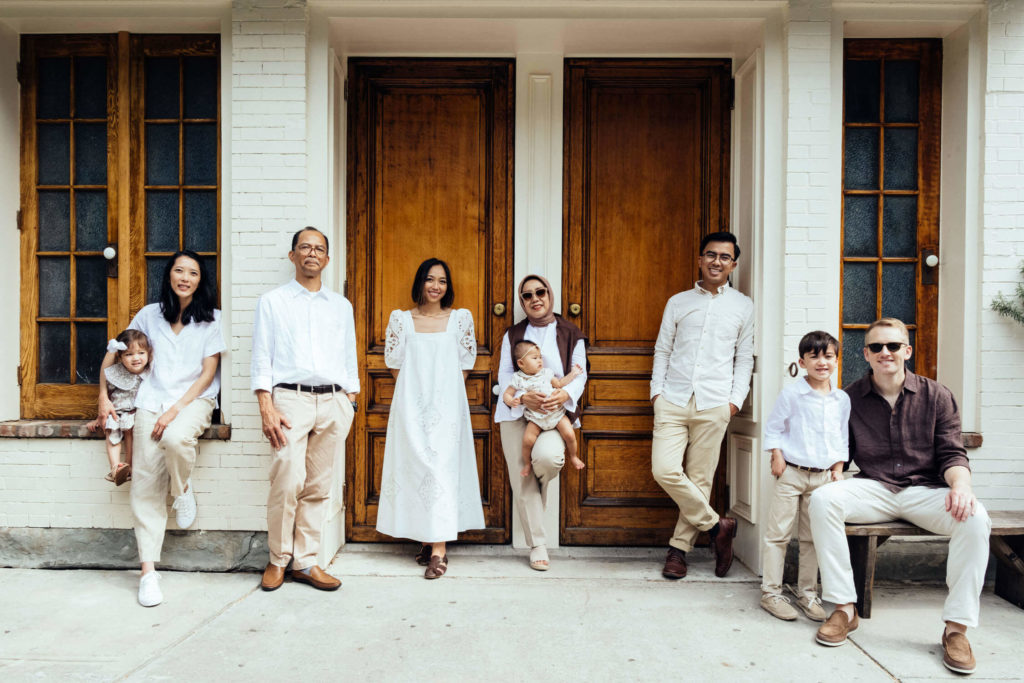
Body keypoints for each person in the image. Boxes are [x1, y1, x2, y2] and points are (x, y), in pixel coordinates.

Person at [808, 318, 991, 675]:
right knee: (823, 500)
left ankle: (957, 628)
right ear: (866, 354)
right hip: (875, 487)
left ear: (907, 350)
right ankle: (845, 608)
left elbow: (953, 453)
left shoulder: (936, 395)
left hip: (926, 491)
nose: (885, 353)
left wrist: (961, 487)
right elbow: (838, 450)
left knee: (975, 517)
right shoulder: (849, 398)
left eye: (893, 346)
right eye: (876, 347)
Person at [97, 250, 224, 607]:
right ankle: (148, 573)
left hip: (194, 401)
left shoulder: (212, 319)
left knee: (176, 437)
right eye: (179, 271)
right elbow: (115, 355)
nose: (185, 277)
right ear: (169, 276)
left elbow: (208, 373)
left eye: (193, 273)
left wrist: (175, 410)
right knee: (145, 483)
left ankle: (183, 489)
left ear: (201, 280)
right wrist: (102, 398)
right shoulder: (149, 315)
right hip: (149, 400)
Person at [252, 227, 358, 593]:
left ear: (327, 259)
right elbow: (261, 356)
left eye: (319, 249)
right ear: (292, 255)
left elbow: (349, 356)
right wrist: (265, 404)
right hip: (290, 400)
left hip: (333, 401)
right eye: (305, 247)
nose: (312, 253)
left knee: (317, 485)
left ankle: (306, 561)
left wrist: (351, 401)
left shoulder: (340, 306)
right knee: (287, 478)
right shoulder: (273, 301)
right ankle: (278, 559)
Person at [650, 231, 754, 579]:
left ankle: (679, 550)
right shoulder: (678, 302)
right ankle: (717, 527)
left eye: (724, 257)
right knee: (664, 470)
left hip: (714, 404)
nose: (716, 262)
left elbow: (744, 359)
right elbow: (663, 349)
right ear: (700, 259)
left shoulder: (742, 305)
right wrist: (657, 395)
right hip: (674, 400)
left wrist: (733, 403)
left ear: (733, 265)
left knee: (699, 479)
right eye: (710, 255)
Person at [375, 257, 484, 579]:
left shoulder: (460, 319)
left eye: (443, 281)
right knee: (417, 471)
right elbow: (395, 364)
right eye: (430, 279)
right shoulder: (401, 320)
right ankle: (426, 538)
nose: (436, 286)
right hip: (410, 406)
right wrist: (416, 398)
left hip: (448, 408)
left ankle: (439, 550)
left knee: (441, 472)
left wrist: (442, 398)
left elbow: (466, 364)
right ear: (420, 282)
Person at [496, 275, 587, 571]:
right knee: (521, 476)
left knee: (547, 459)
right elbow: (505, 376)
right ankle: (537, 544)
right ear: (522, 302)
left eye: (540, 292)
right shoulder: (512, 334)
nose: (535, 298)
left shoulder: (571, 331)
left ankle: (532, 504)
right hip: (517, 414)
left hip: (554, 413)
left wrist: (563, 394)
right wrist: (524, 397)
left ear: (550, 295)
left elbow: (580, 372)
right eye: (527, 295)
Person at [759, 331, 848, 622]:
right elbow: (774, 427)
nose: (822, 362)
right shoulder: (792, 394)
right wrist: (776, 454)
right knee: (778, 534)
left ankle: (806, 593)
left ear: (836, 360)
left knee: (812, 538)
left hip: (822, 478)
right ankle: (771, 592)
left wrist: (838, 467)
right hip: (792, 473)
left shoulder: (840, 399)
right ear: (803, 361)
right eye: (815, 356)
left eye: (828, 356)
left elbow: (841, 436)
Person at [502, 340, 585, 477]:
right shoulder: (518, 379)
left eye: (540, 357)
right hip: (535, 418)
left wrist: (573, 374)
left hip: (556, 414)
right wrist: (512, 401)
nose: (540, 360)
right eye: (534, 358)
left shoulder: (546, 373)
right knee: (527, 441)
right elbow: (507, 394)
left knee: (569, 434)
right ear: (521, 363)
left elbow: (559, 383)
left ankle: (574, 456)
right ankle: (527, 463)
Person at [92, 330, 153, 486]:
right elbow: (106, 378)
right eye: (129, 354)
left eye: (141, 352)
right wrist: (98, 418)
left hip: (135, 413)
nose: (136, 358)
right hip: (116, 413)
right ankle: (115, 467)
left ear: (148, 353)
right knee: (111, 434)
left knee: (131, 435)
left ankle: (129, 465)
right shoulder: (118, 373)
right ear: (120, 357)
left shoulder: (150, 372)